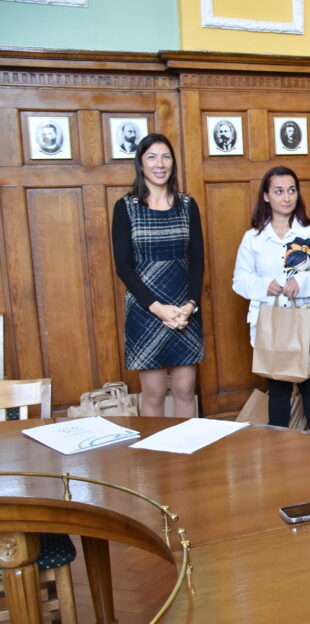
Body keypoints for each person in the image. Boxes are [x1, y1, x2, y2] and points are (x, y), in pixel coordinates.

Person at [232, 166, 310, 432]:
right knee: (277, 388)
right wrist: (263, 285)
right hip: (271, 323)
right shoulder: (253, 238)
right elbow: (239, 280)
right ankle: (277, 448)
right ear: (266, 196)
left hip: (309, 322)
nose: (286, 197)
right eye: (278, 191)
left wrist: (300, 282)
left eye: (291, 190)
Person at [111, 133, 205, 417]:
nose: (159, 163)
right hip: (146, 311)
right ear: (141, 163)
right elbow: (123, 266)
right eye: (151, 157)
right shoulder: (125, 207)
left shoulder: (187, 205)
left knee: (186, 391)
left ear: (173, 163)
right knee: (152, 395)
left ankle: (187, 458)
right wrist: (158, 309)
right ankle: (155, 460)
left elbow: (198, 261)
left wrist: (189, 305)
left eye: (165, 156)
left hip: (183, 311)